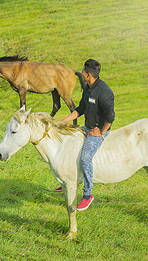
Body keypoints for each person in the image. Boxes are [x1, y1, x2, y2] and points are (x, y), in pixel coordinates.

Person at [55, 59, 115, 211]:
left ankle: (87, 194)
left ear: (88, 74)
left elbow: (110, 116)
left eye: (83, 72)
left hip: (98, 131)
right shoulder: (87, 88)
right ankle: (69, 182)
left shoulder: (104, 92)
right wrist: (63, 121)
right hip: (86, 127)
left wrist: (101, 132)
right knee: (67, 143)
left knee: (85, 158)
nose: (81, 73)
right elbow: (79, 109)